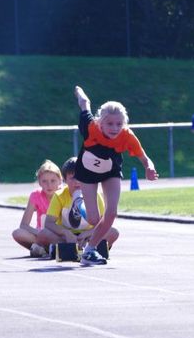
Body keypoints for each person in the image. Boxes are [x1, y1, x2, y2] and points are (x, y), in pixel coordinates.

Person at [73, 86, 158, 265]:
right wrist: (79, 93)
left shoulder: (127, 136)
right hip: (87, 171)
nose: (115, 128)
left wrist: (149, 168)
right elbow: (84, 105)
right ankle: (78, 204)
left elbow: (144, 157)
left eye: (119, 124)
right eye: (110, 124)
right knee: (94, 219)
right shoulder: (90, 126)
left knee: (111, 214)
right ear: (100, 122)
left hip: (110, 171)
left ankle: (90, 250)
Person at [37, 157, 119, 254]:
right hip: (65, 236)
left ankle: (70, 248)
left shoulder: (95, 194)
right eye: (72, 178)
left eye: (81, 177)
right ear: (65, 180)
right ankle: (78, 248)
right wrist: (66, 233)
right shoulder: (59, 195)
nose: (77, 182)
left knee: (113, 232)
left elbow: (103, 222)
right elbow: (49, 223)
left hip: (89, 235)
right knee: (42, 234)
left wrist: (87, 233)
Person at [12, 160, 62, 257]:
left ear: (60, 180)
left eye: (53, 181)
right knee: (17, 233)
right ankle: (44, 248)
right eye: (44, 181)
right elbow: (24, 225)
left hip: (60, 235)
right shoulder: (35, 195)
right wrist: (39, 233)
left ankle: (45, 248)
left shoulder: (64, 194)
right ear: (39, 182)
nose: (49, 185)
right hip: (40, 235)